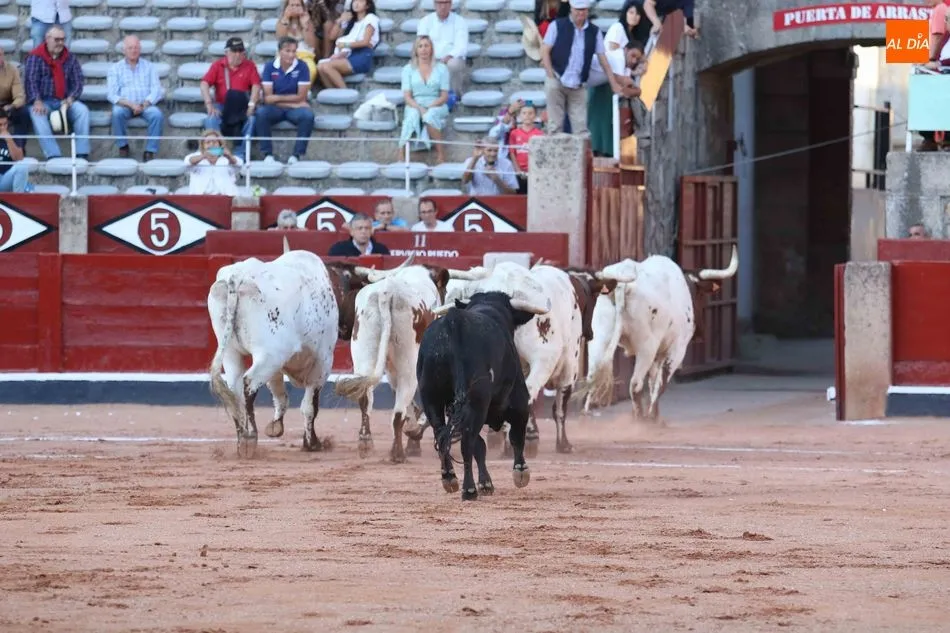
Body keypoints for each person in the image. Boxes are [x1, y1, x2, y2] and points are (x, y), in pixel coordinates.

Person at [540, 0, 621, 136]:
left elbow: (603, 60)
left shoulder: (594, 32)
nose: (580, 13)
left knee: (581, 128)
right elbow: (545, 50)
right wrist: (550, 75)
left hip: (578, 83)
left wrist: (614, 83)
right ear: (571, 9)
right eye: (578, 9)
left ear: (587, 10)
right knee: (555, 126)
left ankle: (581, 150)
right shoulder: (557, 25)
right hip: (557, 78)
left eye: (583, 9)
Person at [23, 25, 90, 160]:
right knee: (37, 114)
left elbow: (78, 82)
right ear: (47, 39)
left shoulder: (70, 58)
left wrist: (71, 99)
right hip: (43, 101)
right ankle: (53, 155)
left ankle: (81, 153)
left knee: (82, 111)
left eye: (62, 39)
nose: (60, 43)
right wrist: (37, 101)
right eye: (57, 39)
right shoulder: (35, 57)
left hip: (64, 101)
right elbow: (31, 81)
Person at [200, 37, 261, 160]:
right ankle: (216, 153)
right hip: (222, 106)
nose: (238, 54)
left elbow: (256, 86)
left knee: (252, 120)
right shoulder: (218, 65)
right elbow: (204, 83)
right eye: (234, 51)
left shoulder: (249, 65)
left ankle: (240, 154)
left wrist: (252, 104)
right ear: (226, 52)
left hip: (242, 106)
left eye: (240, 51)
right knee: (210, 119)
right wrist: (209, 104)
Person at [257, 36, 314, 164]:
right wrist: (294, 104)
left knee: (308, 116)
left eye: (294, 51)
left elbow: (301, 96)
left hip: (290, 109)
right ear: (279, 52)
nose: (291, 55)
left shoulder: (302, 66)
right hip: (279, 108)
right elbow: (267, 98)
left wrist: (277, 99)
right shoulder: (270, 66)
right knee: (261, 113)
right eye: (288, 51)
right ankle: (267, 154)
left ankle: (297, 155)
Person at [107, 35, 165, 162]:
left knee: (157, 115)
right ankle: (123, 146)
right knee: (116, 113)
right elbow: (112, 94)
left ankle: (150, 150)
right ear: (124, 50)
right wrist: (131, 105)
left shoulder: (149, 67)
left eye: (136, 48)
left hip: (145, 105)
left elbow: (156, 90)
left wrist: (144, 104)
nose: (133, 50)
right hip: (125, 105)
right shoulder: (115, 68)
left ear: (140, 49)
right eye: (130, 48)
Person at [588, 37, 646, 156]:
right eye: (633, 56)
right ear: (625, 50)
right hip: (592, 86)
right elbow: (624, 90)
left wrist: (636, 90)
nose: (634, 61)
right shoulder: (618, 59)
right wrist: (638, 91)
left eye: (637, 59)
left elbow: (628, 85)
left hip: (599, 86)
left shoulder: (625, 64)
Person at [398, 36, 450, 164]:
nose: (423, 49)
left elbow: (444, 96)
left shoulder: (442, 68)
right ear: (416, 50)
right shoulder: (408, 69)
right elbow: (407, 97)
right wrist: (420, 108)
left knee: (430, 115)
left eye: (427, 45)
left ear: (431, 48)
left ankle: (441, 154)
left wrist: (431, 106)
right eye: (420, 46)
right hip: (415, 103)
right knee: (412, 115)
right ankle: (400, 154)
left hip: (437, 103)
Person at [316, 0, 378, 89]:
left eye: (360, 1)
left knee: (326, 66)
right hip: (347, 55)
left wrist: (345, 45)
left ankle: (345, 91)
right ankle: (333, 93)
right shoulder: (351, 21)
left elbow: (366, 42)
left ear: (367, 5)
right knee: (320, 67)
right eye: (354, 1)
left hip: (362, 55)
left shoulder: (370, 18)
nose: (356, 3)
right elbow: (332, 37)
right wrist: (340, 21)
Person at [416, 0, 469, 98]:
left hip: (451, 58)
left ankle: (454, 97)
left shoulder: (459, 22)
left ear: (450, 4)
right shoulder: (425, 21)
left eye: (446, 3)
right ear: (434, 4)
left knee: (454, 64)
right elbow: (420, 44)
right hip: (431, 57)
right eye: (440, 3)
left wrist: (448, 57)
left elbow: (461, 47)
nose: (443, 6)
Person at [184, 130, 243, 196]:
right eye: (208, 142)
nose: (211, 145)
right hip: (200, 198)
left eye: (214, 142)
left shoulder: (226, 159)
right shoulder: (197, 156)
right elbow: (187, 162)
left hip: (225, 198)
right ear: (203, 145)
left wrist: (229, 156)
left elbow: (239, 164)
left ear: (220, 144)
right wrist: (204, 156)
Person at [277, 0, 319, 87]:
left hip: (305, 55)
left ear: (303, 8)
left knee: (311, 70)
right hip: (286, 54)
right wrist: (286, 19)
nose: (295, 8)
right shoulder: (282, 21)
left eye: (297, 5)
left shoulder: (308, 21)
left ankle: (303, 91)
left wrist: (305, 25)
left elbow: (312, 44)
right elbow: (281, 40)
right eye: (292, 5)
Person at [508, 103, 544, 194]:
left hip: (534, 171)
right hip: (520, 172)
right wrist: (518, 170)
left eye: (530, 113)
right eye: (524, 113)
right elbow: (512, 153)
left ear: (535, 116)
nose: (527, 115)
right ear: (520, 116)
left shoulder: (540, 134)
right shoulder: (514, 133)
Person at [0, 47, 29, 152]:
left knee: (23, 112)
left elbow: (19, 95)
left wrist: (12, 106)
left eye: (0, 55)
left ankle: (19, 149)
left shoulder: (12, 69)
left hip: (7, 104)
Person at [0, 111, 31, 193]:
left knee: (22, 167)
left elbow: (18, 158)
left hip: (5, 178)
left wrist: (9, 140)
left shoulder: (14, 136)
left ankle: (18, 198)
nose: (3, 128)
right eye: (0, 125)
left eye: (5, 124)